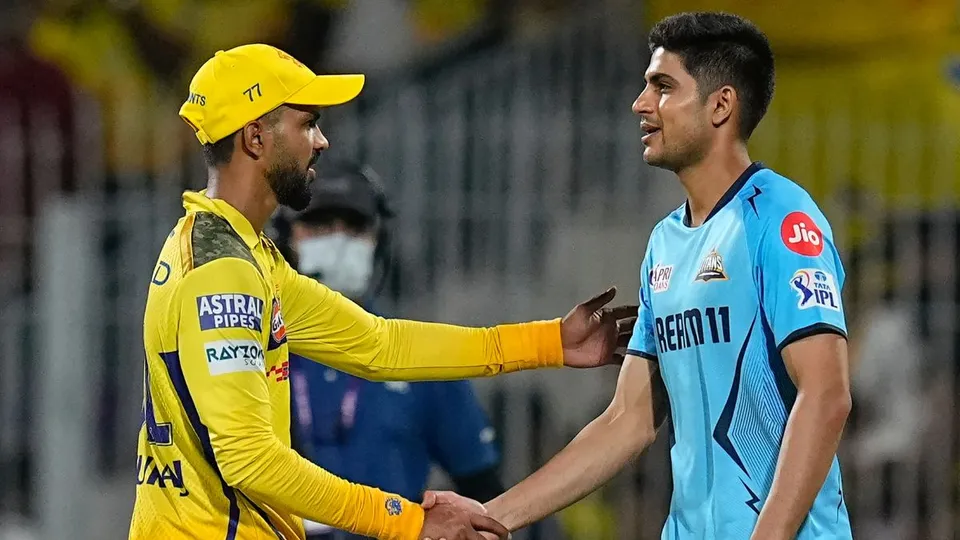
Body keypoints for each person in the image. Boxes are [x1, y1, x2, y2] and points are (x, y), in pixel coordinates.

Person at [129, 43, 635, 540]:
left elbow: (379, 344)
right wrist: (408, 521)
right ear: (255, 137)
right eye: (307, 123)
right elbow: (250, 458)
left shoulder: (244, 254)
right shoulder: (222, 270)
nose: (321, 141)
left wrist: (548, 342)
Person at [425, 12, 853, 540]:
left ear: (721, 105)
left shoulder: (782, 218)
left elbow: (827, 394)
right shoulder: (664, 243)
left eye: (663, 87)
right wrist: (490, 518)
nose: (640, 104)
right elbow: (626, 420)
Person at [275, 162, 507, 539]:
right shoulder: (249, 350)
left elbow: (484, 489)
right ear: (284, 239)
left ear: (379, 241)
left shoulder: (420, 358)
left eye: (354, 228)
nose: (337, 241)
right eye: (318, 225)